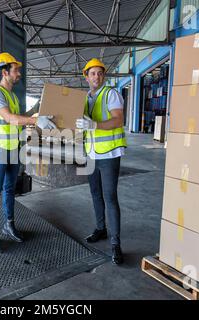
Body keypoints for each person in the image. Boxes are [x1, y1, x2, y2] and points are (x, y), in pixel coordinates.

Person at [0, 52, 56, 252]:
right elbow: (8, 118)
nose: (19, 74)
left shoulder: (12, 96)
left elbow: (18, 117)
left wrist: (36, 110)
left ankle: (9, 225)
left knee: (9, 190)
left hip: (13, 151)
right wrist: (35, 121)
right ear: (4, 72)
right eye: (16, 70)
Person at [76, 58, 127, 265]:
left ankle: (116, 243)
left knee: (110, 197)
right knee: (95, 194)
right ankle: (100, 229)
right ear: (86, 77)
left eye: (100, 73)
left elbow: (118, 120)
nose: (96, 76)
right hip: (91, 153)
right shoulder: (85, 98)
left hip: (108, 155)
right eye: (93, 73)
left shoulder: (111, 94)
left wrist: (94, 124)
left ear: (103, 76)